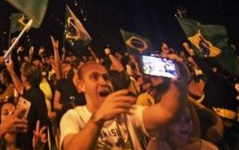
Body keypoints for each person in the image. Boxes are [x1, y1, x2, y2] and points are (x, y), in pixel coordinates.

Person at [60, 61, 188, 150]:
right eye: (94, 77)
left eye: (106, 78)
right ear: (81, 86)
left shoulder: (126, 111)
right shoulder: (73, 117)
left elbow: (167, 112)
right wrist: (97, 119)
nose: (103, 82)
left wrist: (179, 82)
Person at [6, 60, 50, 149]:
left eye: (21, 74)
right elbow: (21, 89)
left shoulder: (27, 99)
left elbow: (19, 120)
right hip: (41, 139)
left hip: (31, 142)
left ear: (25, 77)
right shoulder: (38, 92)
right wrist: (11, 70)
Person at [145, 103, 218, 150]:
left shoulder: (210, 148)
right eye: (177, 121)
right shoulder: (156, 146)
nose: (184, 126)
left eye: (187, 120)